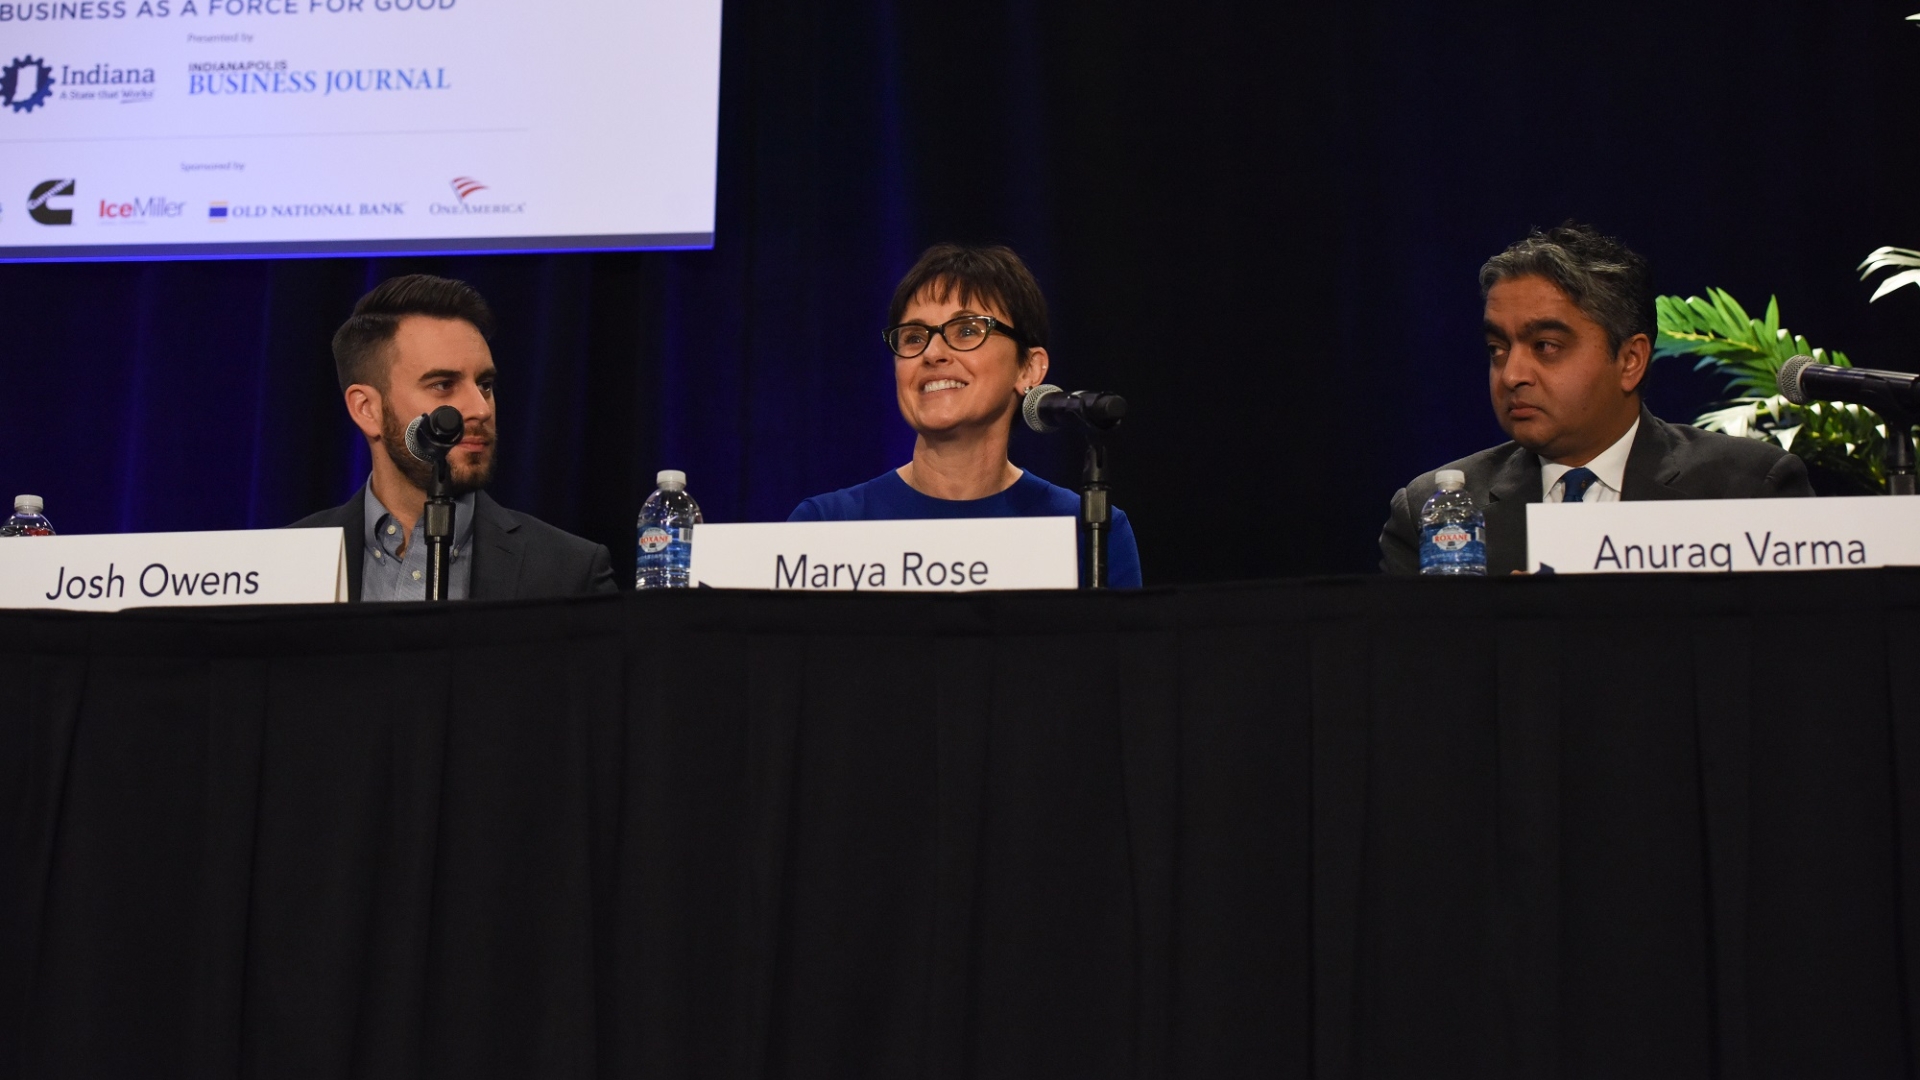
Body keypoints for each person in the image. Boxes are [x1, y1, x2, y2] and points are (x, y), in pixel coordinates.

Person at [1380, 223, 1813, 575]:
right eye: (1498, 349)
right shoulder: (1431, 512)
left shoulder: (1747, 490)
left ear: (1630, 360)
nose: (1511, 375)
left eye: (1546, 346)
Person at [788, 243, 1143, 588]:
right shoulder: (826, 527)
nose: (933, 353)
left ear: (1029, 368)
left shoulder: (1089, 531)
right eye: (914, 337)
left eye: (968, 331)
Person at [290, 274, 616, 601]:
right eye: (443, 385)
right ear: (367, 409)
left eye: (485, 385)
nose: (480, 409)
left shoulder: (569, 572)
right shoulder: (283, 562)